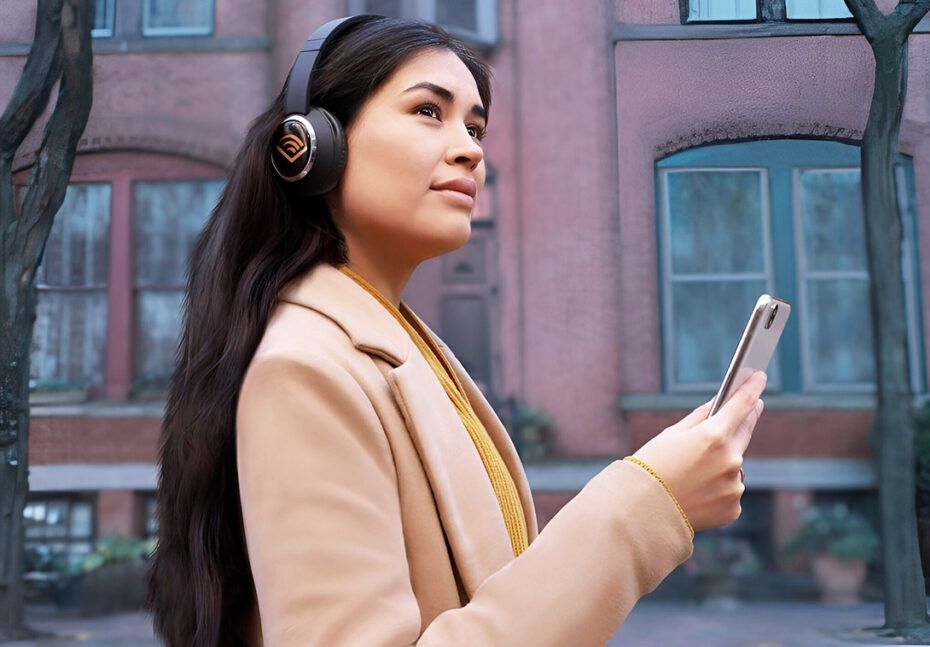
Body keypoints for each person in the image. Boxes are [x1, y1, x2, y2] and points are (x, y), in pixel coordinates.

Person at [145, 14, 767, 646]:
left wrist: (660, 483)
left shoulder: (398, 346)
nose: (471, 147)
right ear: (313, 147)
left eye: (475, 126)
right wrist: (648, 507)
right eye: (427, 112)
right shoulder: (305, 370)